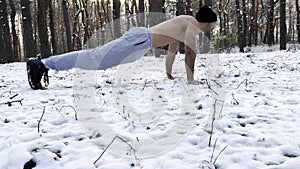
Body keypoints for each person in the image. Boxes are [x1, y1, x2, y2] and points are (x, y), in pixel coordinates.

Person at [27, 5, 217, 89]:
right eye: (214, 24)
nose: (214, 28)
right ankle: (42, 64)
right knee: (95, 57)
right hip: (140, 40)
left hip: (140, 43)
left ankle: (44, 64)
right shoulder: (191, 25)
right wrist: (191, 79)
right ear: (208, 22)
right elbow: (191, 53)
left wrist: (168, 74)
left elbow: (172, 51)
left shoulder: (184, 25)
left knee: (96, 58)